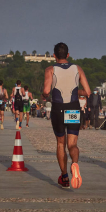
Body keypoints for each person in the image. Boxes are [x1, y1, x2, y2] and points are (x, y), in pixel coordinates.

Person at [42, 42, 91, 189]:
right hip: (73, 109)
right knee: (72, 144)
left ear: (54, 56)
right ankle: (75, 164)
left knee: (61, 144)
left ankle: (64, 177)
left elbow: (46, 90)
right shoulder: (78, 69)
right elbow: (87, 92)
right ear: (68, 55)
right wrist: (75, 92)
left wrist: (45, 94)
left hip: (58, 108)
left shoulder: (50, 69)